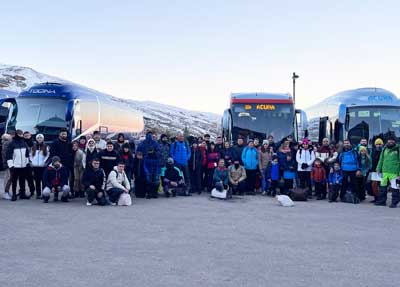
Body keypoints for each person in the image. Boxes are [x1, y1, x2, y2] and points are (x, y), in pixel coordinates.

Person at [375, 135, 400, 208]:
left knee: (394, 188)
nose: (390, 141)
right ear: (387, 141)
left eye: (392, 140)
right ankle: (381, 201)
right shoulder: (384, 149)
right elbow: (381, 160)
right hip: (384, 172)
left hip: (394, 173)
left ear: (395, 141)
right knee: (382, 188)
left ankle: (394, 203)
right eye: (389, 140)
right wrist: (378, 169)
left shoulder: (398, 149)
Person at [6, 129, 30, 201]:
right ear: (16, 134)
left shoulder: (24, 143)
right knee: (14, 181)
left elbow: (27, 154)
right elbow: (8, 156)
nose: (21, 135)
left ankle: (22, 194)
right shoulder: (12, 143)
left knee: (22, 181)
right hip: (15, 166)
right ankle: (14, 194)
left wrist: (27, 163)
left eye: (21, 134)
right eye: (19, 134)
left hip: (23, 166)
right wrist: (11, 165)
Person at [30, 134, 49, 199]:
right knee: (37, 181)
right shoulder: (33, 146)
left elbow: (48, 155)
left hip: (42, 166)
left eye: (41, 138)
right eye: (38, 138)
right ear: (36, 139)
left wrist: (45, 162)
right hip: (35, 166)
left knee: (44, 180)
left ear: (43, 139)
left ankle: (44, 193)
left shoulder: (46, 146)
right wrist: (32, 162)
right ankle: (38, 194)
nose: (39, 139)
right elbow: (30, 155)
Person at [370, 138, 384, 202]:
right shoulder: (372, 151)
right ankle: (376, 198)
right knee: (374, 186)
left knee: (381, 186)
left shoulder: (384, 151)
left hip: (382, 171)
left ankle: (381, 198)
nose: (378, 145)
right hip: (374, 171)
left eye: (380, 144)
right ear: (375, 145)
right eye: (377, 144)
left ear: (382, 145)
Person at [1, 133, 13, 200]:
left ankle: (7, 192)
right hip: (8, 164)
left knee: (8, 178)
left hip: (6, 163)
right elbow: (7, 155)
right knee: (8, 178)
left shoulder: (4, 143)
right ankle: (6, 192)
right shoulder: (7, 144)